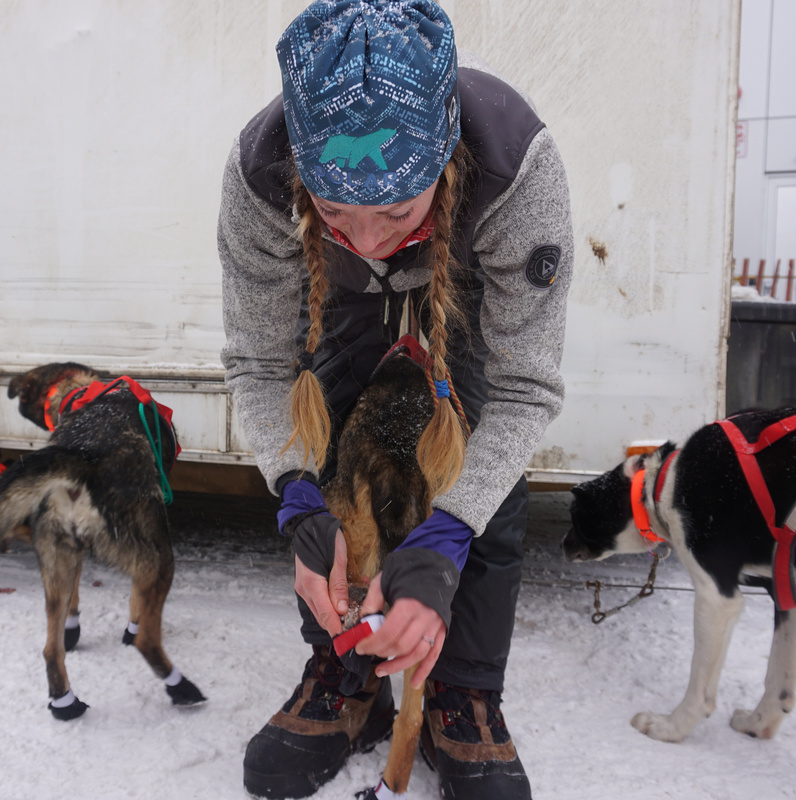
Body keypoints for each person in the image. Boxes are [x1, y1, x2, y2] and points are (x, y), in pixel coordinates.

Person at [219, 2, 571, 798]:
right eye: (335, 208)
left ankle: (463, 689)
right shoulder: (261, 175)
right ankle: (345, 668)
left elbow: (524, 389)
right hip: (331, 290)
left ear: (443, 162)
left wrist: (448, 533)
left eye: (394, 210)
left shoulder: (515, 169)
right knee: (327, 432)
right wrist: (297, 496)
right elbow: (260, 363)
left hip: (464, 276)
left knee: (475, 440)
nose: (369, 239)